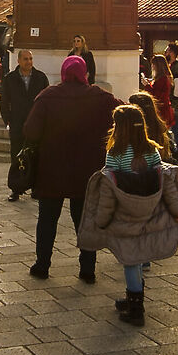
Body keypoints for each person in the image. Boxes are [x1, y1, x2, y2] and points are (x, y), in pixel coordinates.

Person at [78, 103, 178, 324]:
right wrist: (177, 211)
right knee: (139, 257)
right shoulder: (151, 150)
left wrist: (101, 220)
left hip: (125, 215)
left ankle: (136, 308)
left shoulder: (115, 153)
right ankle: (133, 297)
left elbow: (108, 189)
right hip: (149, 210)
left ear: (119, 127)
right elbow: (165, 181)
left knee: (131, 260)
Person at [23, 54, 118, 280]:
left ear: (64, 73)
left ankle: (42, 265)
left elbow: (30, 131)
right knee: (85, 221)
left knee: (47, 220)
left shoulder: (48, 97)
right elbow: (123, 114)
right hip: (87, 172)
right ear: (84, 73)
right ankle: (87, 269)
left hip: (51, 170)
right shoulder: (100, 97)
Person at [0, 49, 49, 201]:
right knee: (16, 156)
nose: (29, 62)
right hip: (17, 123)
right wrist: (7, 119)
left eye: (30, 59)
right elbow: (4, 101)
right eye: (26, 59)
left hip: (36, 123)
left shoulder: (40, 77)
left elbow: (47, 100)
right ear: (19, 61)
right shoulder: (10, 79)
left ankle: (36, 187)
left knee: (36, 155)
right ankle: (16, 189)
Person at [145, 52, 178, 163]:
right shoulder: (163, 78)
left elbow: (158, 96)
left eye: (153, 64)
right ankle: (176, 153)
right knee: (168, 133)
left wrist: (147, 86)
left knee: (165, 134)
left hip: (163, 110)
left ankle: (175, 153)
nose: (152, 66)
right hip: (164, 109)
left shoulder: (162, 79)